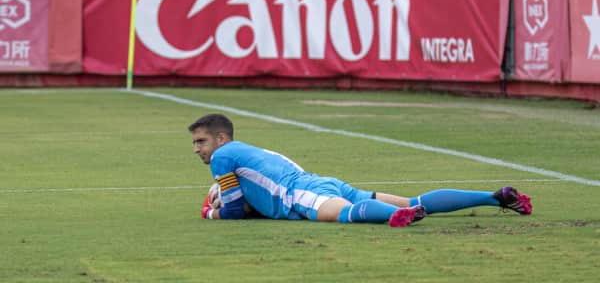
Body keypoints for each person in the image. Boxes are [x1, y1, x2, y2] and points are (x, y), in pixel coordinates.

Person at [190, 113, 532, 227]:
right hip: (321, 182)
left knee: (347, 215)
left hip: (302, 194)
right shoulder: (255, 151)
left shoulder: (223, 157)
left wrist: (209, 212)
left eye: (201, 141)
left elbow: (234, 211)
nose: (197, 149)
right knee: (413, 200)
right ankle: (495, 197)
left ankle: (397, 216)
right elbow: (250, 201)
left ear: (221, 139)